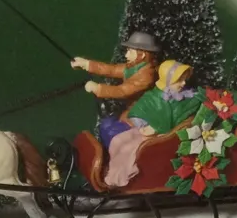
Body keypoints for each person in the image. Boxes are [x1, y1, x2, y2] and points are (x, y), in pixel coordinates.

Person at [71, 31, 201, 147]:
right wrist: (86, 64)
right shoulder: (135, 67)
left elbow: (122, 91)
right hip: (134, 111)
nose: (126, 55)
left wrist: (98, 88)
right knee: (107, 126)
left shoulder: (146, 75)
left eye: (130, 51)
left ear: (142, 54)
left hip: (143, 116)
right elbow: (112, 69)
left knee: (110, 131)